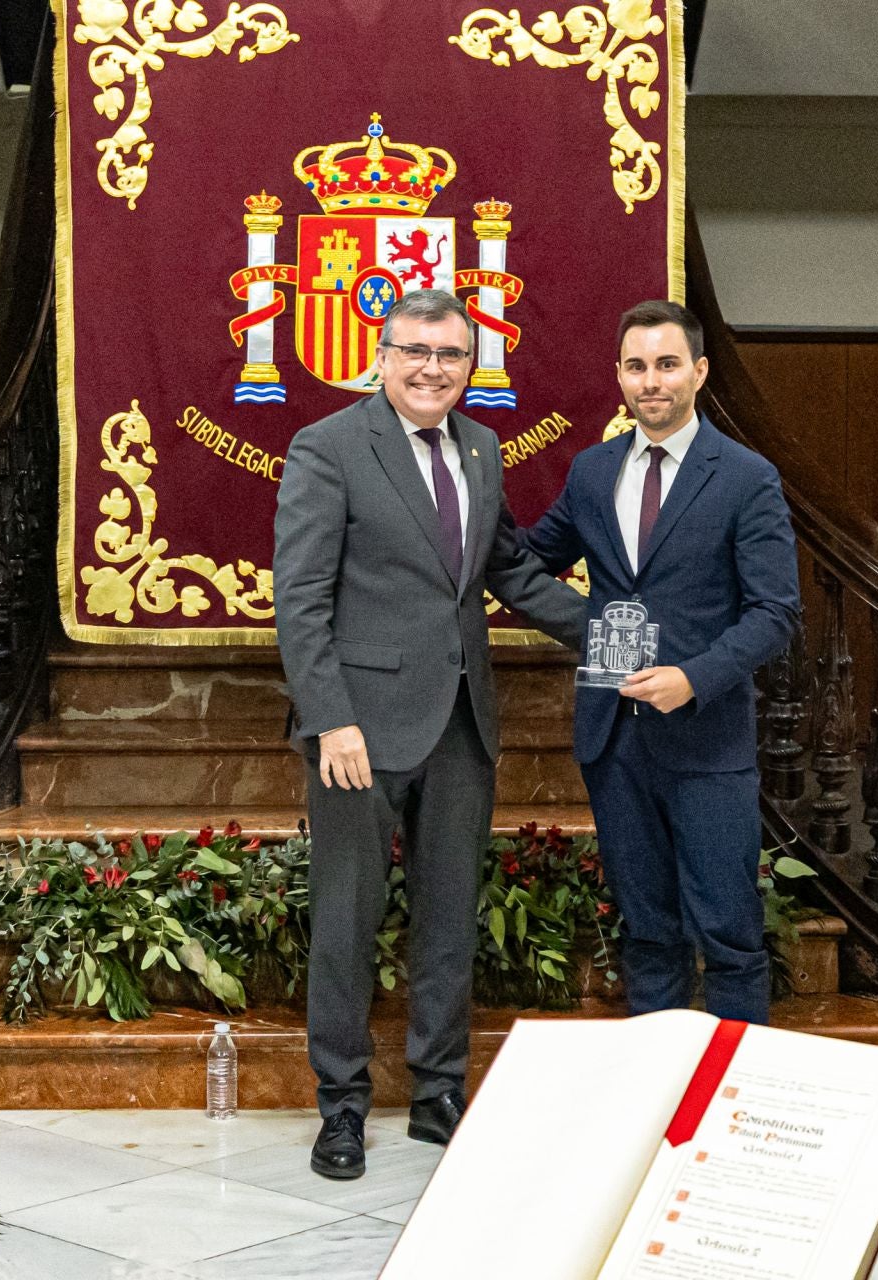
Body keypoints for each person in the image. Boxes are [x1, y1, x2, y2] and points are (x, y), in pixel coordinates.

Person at [274, 289, 587, 1180]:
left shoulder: (480, 449)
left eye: (450, 355)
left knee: (448, 917)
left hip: (460, 723)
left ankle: (437, 1092)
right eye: (415, 351)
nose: (432, 369)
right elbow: (299, 598)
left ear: (469, 365)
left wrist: (607, 631)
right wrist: (331, 718)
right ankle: (340, 1107)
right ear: (382, 355)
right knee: (349, 917)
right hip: (358, 732)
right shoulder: (328, 447)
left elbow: (509, 572)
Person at [523, 300, 800, 1026]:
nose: (653, 381)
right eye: (638, 366)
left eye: (668, 364)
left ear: (699, 373)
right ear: (619, 375)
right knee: (647, 932)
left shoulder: (745, 477)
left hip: (707, 744)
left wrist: (695, 678)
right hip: (615, 742)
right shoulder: (591, 472)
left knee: (730, 935)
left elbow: (776, 613)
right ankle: (659, 1106)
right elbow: (527, 561)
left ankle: (731, 1110)